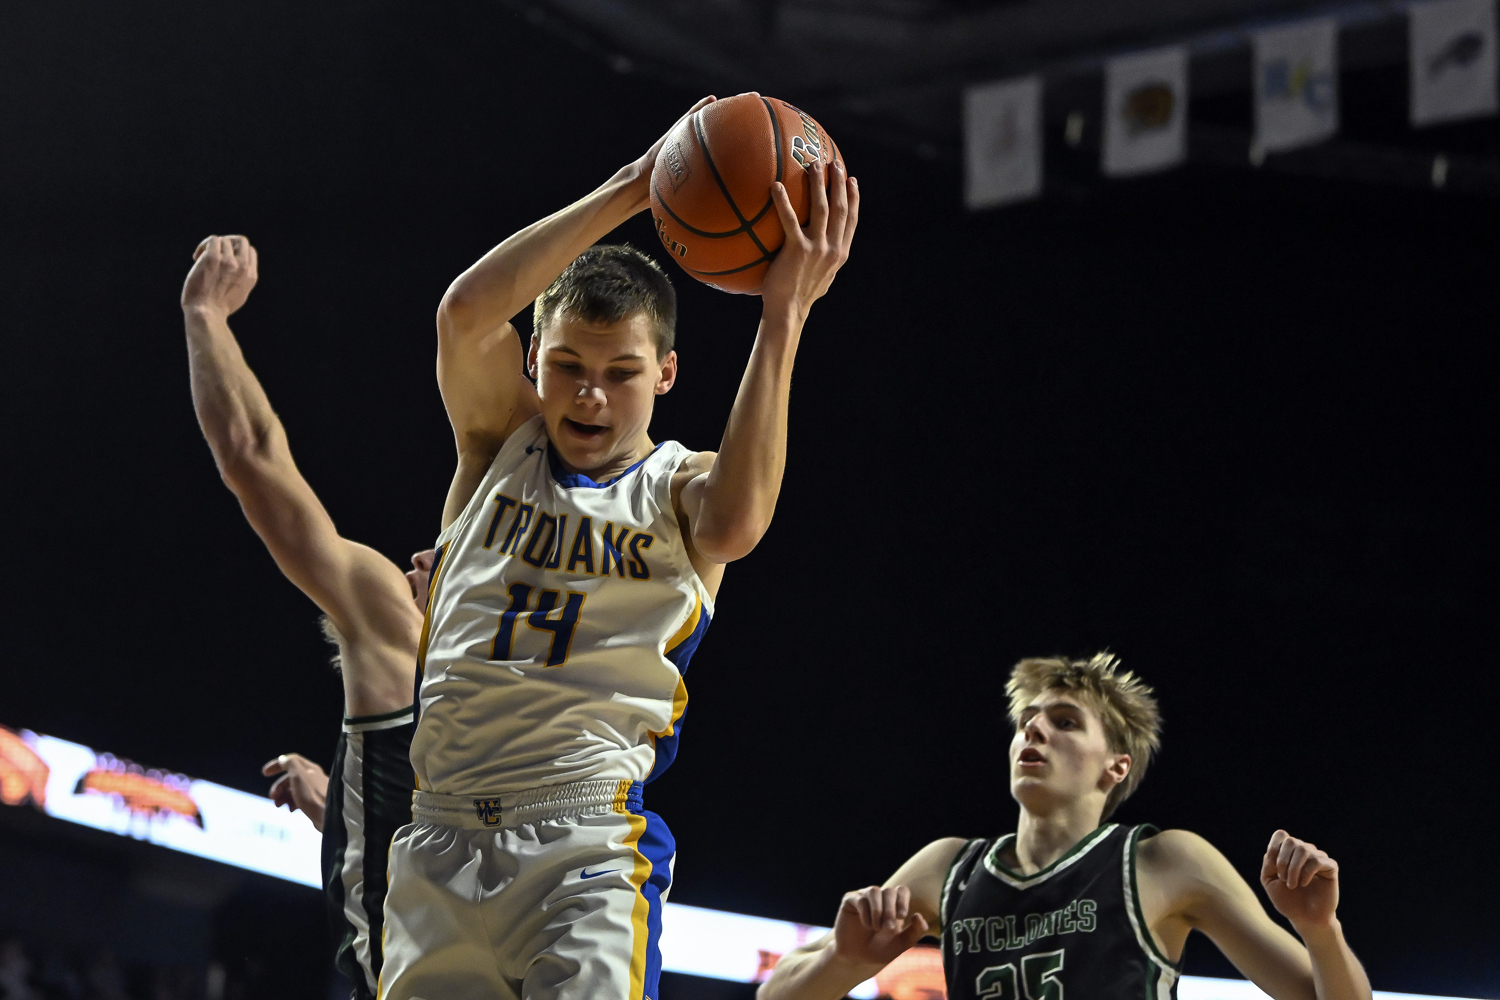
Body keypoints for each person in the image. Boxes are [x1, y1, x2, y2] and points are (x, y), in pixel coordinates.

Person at [379, 95, 859, 1000]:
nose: (590, 397)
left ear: (666, 375)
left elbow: (741, 524)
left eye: (620, 374)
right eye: (568, 368)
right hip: (435, 839)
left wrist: (783, 316)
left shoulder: (680, 489)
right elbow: (464, 314)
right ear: (536, 366)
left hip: (582, 847)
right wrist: (636, 186)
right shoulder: (498, 446)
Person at [759, 653, 1372, 1000]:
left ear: (1116, 766)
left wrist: (1320, 931)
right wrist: (843, 960)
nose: (1033, 730)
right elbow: (775, 993)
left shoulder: (1162, 862)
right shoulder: (949, 867)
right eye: (1026, 721)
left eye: (1064, 721)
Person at [180, 235, 434, 1000]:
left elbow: (252, 455)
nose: (416, 558)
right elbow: (434, 847)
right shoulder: (533, 685)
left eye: (435, 557)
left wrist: (205, 316)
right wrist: (338, 808)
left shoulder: (402, 630)